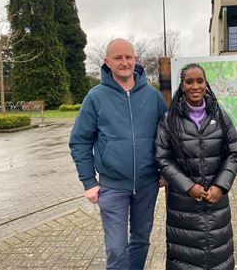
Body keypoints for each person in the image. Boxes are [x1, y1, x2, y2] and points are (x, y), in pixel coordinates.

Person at [69, 38, 167, 270]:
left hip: (147, 184)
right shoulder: (95, 97)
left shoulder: (152, 97)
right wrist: (88, 181)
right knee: (116, 247)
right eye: (118, 58)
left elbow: (167, 137)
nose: (124, 62)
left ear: (135, 59)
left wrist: (165, 170)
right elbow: (79, 141)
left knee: (141, 240)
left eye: (128, 57)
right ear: (107, 62)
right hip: (112, 188)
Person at [155, 63, 237, 270]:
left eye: (199, 81)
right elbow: (162, 157)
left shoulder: (220, 116)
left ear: (206, 84)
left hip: (216, 204)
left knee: (219, 259)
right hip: (183, 206)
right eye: (189, 81)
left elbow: (234, 153)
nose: (195, 86)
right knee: (185, 261)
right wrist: (188, 186)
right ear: (182, 86)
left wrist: (220, 186)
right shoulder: (170, 120)